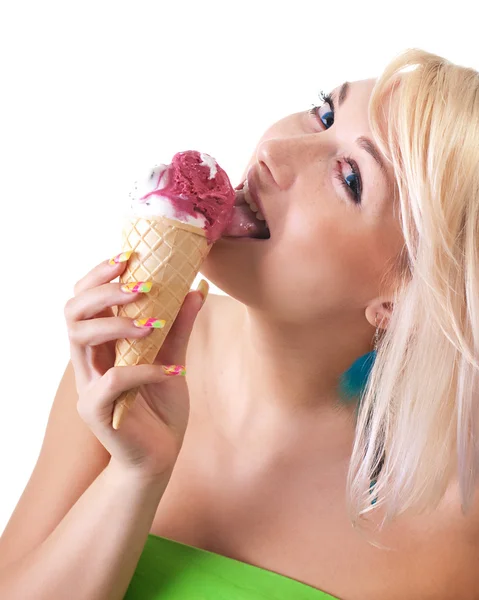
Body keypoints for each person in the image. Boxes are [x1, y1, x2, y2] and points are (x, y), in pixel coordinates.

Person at [1, 47, 478, 600]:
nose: (275, 150)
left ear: (404, 302)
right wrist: (133, 478)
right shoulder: (128, 356)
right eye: (323, 113)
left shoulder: (452, 519)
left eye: (350, 176)